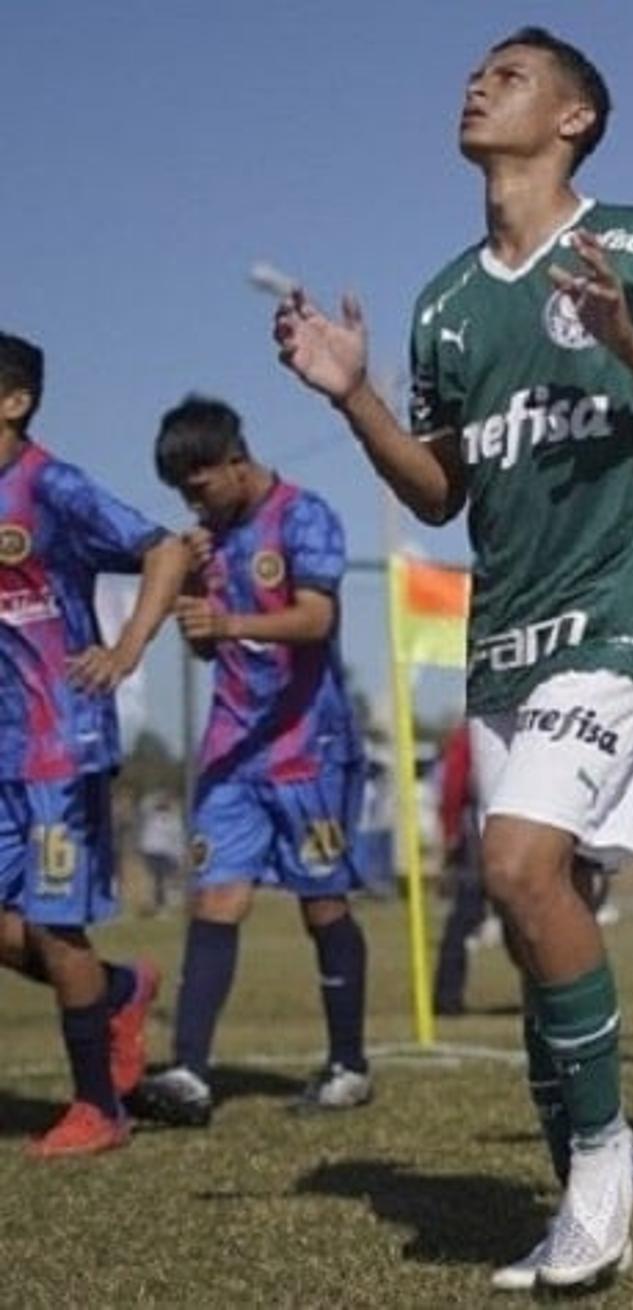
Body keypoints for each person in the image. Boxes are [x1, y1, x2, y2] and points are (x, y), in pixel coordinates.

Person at [272, 27, 633, 1289]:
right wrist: (354, 394)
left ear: (576, 117)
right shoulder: (443, 301)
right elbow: (439, 493)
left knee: (520, 860)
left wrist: (632, 343)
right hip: (507, 648)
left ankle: (602, 1162)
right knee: (544, 922)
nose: (477, 84)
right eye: (474, 72)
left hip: (619, 621)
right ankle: (584, 1175)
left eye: (511, 74)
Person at [131, 397, 371, 1125]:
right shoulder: (211, 541)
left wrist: (229, 618)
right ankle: (191, 1074)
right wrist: (198, 600)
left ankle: (349, 1065)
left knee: (321, 903)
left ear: (236, 460)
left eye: (199, 486)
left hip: (310, 748)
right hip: (233, 751)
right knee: (215, 900)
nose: (192, 502)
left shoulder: (304, 516)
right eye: (181, 493)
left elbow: (316, 618)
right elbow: (209, 646)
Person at [0, 329, 187, 1156]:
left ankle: (97, 1110)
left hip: (58, 745)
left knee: (55, 925)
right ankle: (120, 989)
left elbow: (166, 550)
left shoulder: (53, 487)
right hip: (3, 748)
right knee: (25, 930)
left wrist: (126, 649)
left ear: (15, 402)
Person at [430, 721, 486, 1018]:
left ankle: (446, 997)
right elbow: (454, 784)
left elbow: (452, 786)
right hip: (483, 838)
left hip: (479, 837)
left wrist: (450, 834)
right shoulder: (471, 732)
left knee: (462, 920)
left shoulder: (470, 731)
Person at [135, 790, 186, 915]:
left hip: (166, 853)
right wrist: (159, 796)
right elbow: (145, 803)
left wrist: (179, 855)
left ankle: (163, 904)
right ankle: (158, 905)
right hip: (151, 851)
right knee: (157, 879)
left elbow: (178, 837)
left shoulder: (174, 819)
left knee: (167, 879)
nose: (164, 804)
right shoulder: (151, 814)